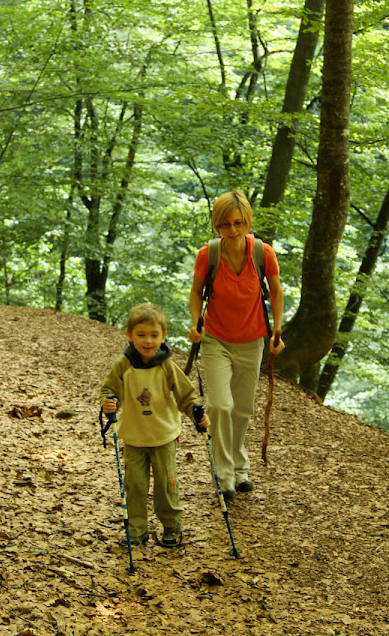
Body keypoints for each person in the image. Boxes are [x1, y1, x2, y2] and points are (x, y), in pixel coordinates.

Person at [189, 190, 284, 503]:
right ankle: (224, 473)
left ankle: (239, 466)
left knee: (242, 409)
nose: (232, 230)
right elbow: (196, 291)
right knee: (220, 406)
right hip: (215, 339)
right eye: (225, 224)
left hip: (252, 340)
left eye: (238, 223)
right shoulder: (209, 255)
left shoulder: (263, 253)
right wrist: (195, 323)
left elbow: (276, 290)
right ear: (217, 225)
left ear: (247, 222)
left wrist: (277, 329)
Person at [101, 302, 210, 548]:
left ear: (163, 336)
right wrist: (108, 403)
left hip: (163, 435)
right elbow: (109, 390)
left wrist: (196, 414)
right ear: (129, 335)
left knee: (166, 483)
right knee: (135, 485)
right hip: (134, 436)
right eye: (141, 335)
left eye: (154, 335)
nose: (148, 341)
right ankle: (136, 529)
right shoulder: (124, 364)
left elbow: (186, 395)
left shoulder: (166, 365)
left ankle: (171, 524)